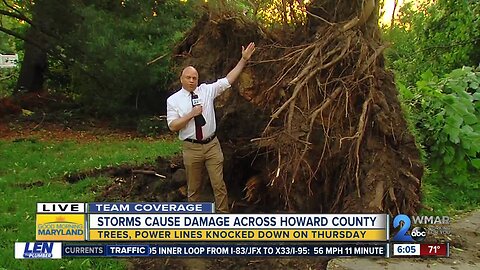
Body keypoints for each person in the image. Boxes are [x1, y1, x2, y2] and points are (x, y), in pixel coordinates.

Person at [166, 42, 256, 213]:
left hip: (212, 145)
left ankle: (223, 218)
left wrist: (243, 60)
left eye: (195, 78)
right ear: (182, 79)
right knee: (194, 188)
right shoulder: (173, 100)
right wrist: (191, 114)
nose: (192, 81)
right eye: (188, 78)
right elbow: (173, 126)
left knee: (219, 184)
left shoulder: (206, 91)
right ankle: (196, 222)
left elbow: (229, 80)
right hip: (191, 147)